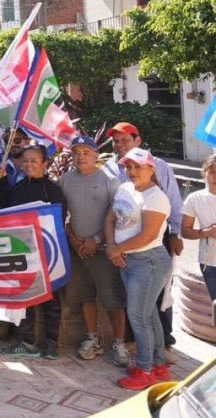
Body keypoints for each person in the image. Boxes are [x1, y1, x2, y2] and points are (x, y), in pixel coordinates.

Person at [104, 121, 182, 360]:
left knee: (154, 303)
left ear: (137, 140)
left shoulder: (159, 169)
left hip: (150, 249)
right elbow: (112, 215)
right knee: (142, 311)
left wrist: (176, 233)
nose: (119, 145)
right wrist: (113, 247)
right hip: (125, 252)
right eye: (116, 141)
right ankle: (148, 353)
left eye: (125, 140)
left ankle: (154, 356)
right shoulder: (112, 171)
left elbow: (172, 204)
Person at [105, 147, 173, 390]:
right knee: (148, 314)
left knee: (138, 316)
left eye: (138, 167)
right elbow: (112, 218)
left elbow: (149, 235)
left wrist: (116, 250)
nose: (132, 171)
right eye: (128, 166)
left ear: (150, 168)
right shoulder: (125, 188)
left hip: (149, 261)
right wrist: (114, 246)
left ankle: (145, 370)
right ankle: (157, 364)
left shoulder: (156, 197)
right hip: (128, 259)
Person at [60, 136, 130, 367]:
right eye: (76, 152)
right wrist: (73, 239)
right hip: (77, 249)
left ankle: (119, 343)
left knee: (112, 298)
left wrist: (97, 239)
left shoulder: (110, 181)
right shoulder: (64, 181)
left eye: (86, 152)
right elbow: (60, 214)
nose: (81, 157)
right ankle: (92, 339)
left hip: (103, 251)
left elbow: (118, 214)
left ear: (96, 155)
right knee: (84, 297)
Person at [0, 145, 68, 359]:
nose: (28, 164)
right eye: (25, 160)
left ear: (45, 164)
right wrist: (1, 183)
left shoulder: (52, 189)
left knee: (51, 298)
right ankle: (27, 343)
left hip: (47, 251)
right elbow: (6, 208)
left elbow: (59, 219)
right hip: (23, 250)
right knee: (25, 296)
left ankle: (51, 344)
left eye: (33, 161)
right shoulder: (19, 186)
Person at [182, 155, 216, 301]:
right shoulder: (195, 198)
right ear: (204, 173)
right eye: (213, 171)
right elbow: (185, 231)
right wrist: (207, 232)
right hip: (209, 263)